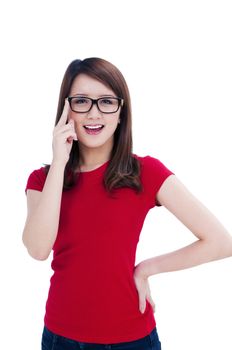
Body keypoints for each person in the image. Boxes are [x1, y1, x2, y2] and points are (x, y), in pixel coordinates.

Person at [22, 57, 232, 350]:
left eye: (106, 102)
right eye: (82, 101)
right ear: (66, 110)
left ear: (121, 112)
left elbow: (221, 242)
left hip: (131, 339)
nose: (94, 113)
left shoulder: (145, 172)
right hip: (60, 338)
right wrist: (59, 162)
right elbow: (37, 249)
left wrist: (146, 268)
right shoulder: (43, 179)